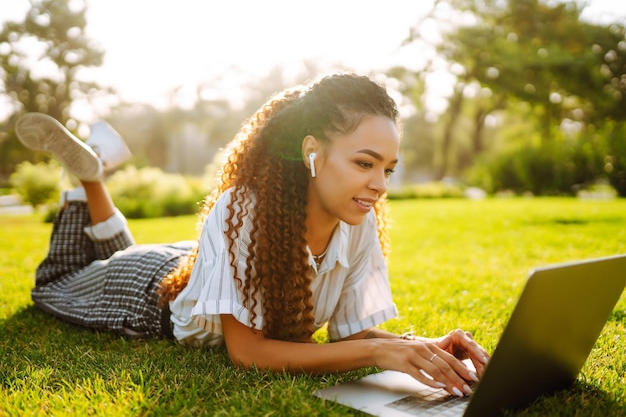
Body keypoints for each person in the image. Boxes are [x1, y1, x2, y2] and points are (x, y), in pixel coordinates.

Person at [16, 73, 490, 398]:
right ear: (313, 153)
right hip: (151, 296)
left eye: (387, 168)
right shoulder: (242, 209)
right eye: (364, 163)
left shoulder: (358, 220)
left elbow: (355, 332)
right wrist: (377, 352)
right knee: (60, 281)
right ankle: (87, 180)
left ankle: (95, 172)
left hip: (199, 268)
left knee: (119, 251)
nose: (380, 185)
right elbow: (247, 353)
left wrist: (419, 347)